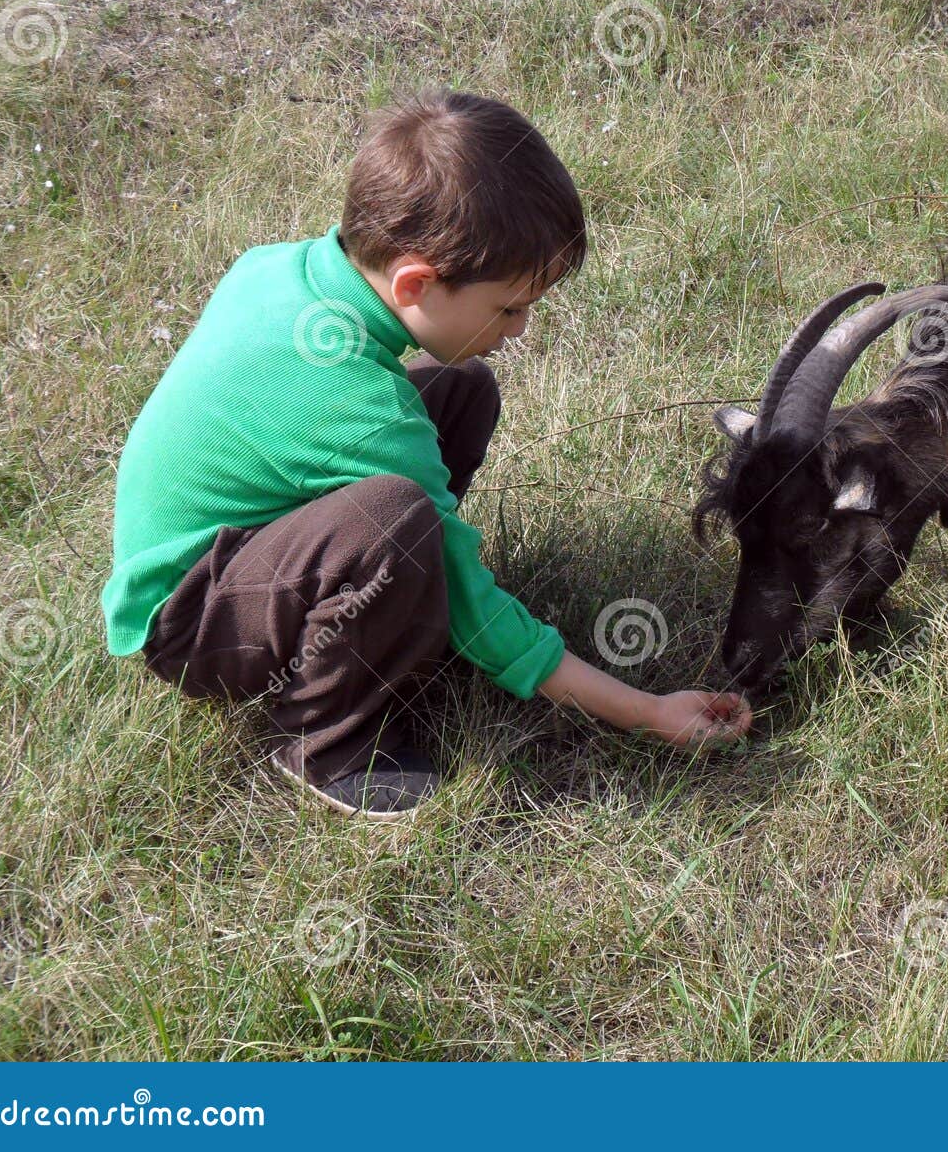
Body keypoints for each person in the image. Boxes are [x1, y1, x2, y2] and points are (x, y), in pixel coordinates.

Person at [100, 87, 752, 821]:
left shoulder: (283, 268)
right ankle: (326, 743)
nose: (521, 329)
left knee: (460, 390)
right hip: (192, 622)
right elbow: (476, 606)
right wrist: (646, 711)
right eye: (509, 307)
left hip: (242, 550)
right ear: (416, 282)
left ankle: (388, 608)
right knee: (396, 517)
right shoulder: (360, 412)